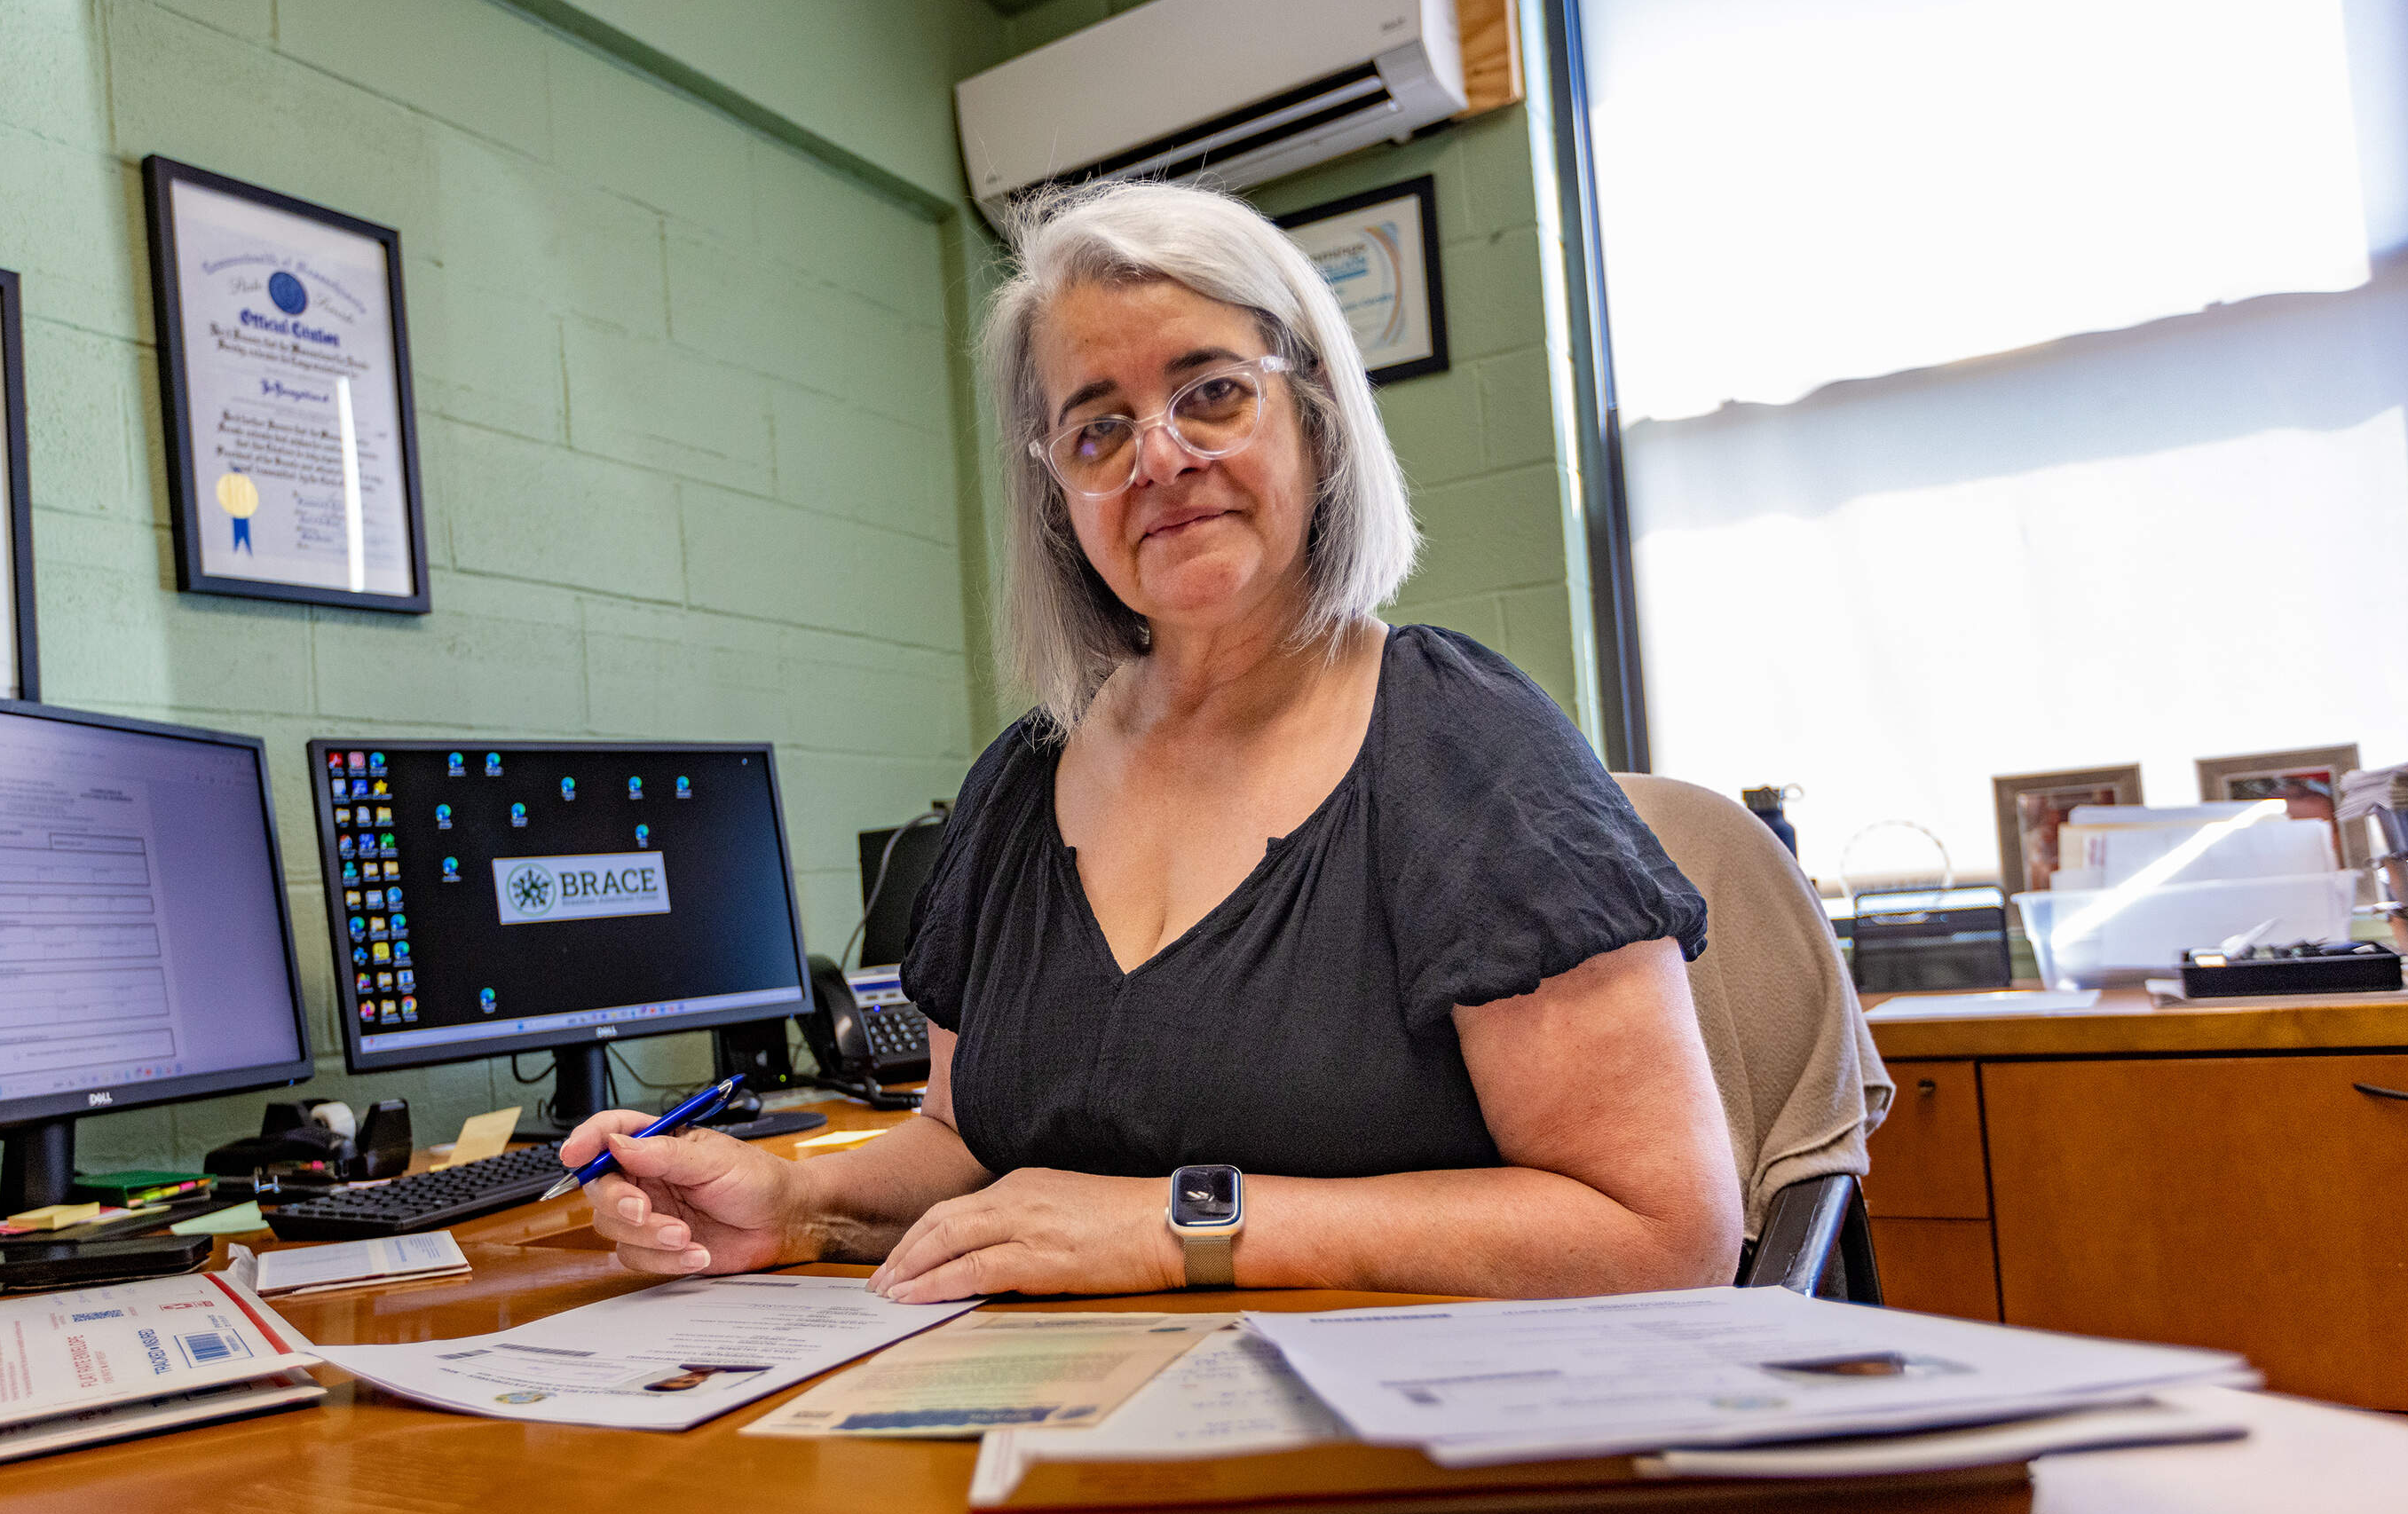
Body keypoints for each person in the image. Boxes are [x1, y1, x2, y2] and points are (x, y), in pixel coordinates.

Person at [564, 181, 1739, 1304]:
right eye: (1098, 428)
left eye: (1214, 391)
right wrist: (795, 1200)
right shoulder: (1024, 783)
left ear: (1317, 416)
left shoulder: (1461, 746)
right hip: (1055, 1425)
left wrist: (1182, 1226)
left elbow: (1664, 1229)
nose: (1161, 457)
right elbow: (969, 1148)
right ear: (1060, 493)